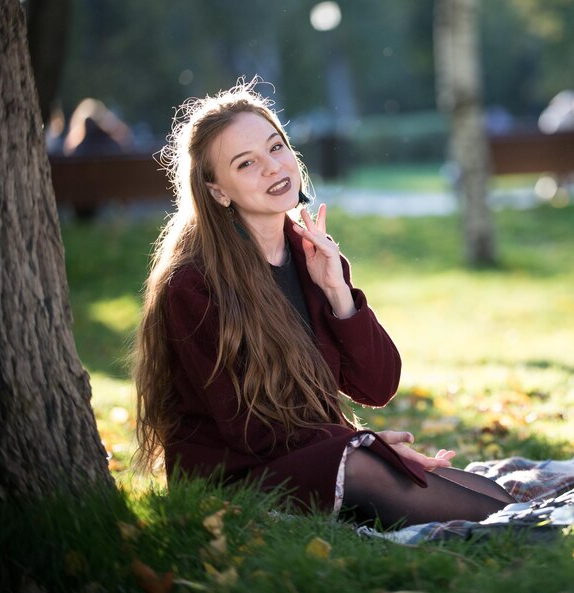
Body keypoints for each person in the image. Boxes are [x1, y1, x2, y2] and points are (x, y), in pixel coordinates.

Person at [134, 80, 515, 529]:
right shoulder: (193, 286)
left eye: (276, 147)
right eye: (246, 164)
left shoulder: (310, 253)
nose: (274, 168)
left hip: (314, 453)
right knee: (372, 471)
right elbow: (252, 431)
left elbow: (378, 386)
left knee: (486, 493)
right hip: (235, 477)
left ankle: (524, 526)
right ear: (218, 191)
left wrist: (338, 293)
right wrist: (361, 444)